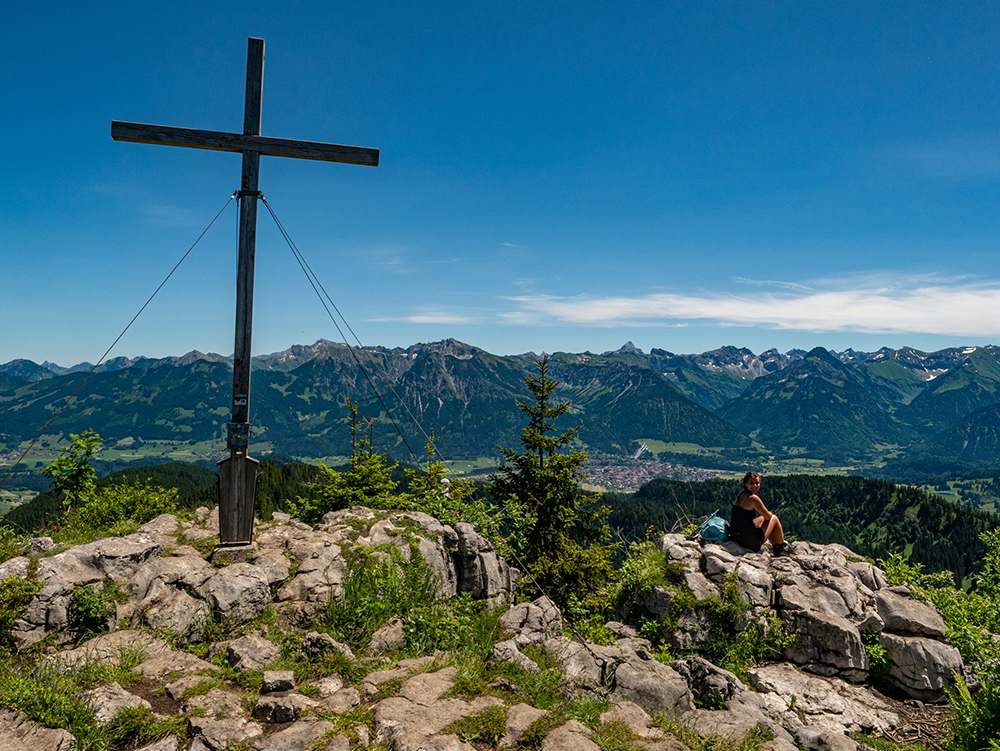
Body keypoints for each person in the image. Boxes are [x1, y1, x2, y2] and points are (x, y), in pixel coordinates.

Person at [730, 471, 794, 556]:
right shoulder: (753, 498)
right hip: (750, 542)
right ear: (745, 483)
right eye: (751, 483)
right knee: (773, 518)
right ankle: (781, 547)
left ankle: (776, 546)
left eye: (757, 483)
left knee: (763, 519)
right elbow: (768, 516)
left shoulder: (740, 495)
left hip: (737, 536)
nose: (755, 485)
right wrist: (770, 515)